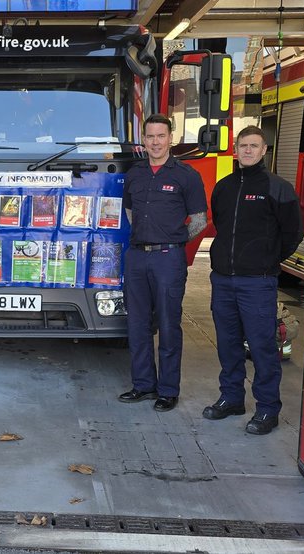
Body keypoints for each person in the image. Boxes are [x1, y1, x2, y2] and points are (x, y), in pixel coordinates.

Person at [203, 125, 304, 435]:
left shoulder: (278, 188)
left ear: (263, 150)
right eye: (243, 145)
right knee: (228, 345)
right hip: (223, 281)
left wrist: (267, 260)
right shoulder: (224, 187)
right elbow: (220, 223)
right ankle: (232, 398)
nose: (247, 150)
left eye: (254, 145)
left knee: (262, 347)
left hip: (257, 283)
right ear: (236, 149)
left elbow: (293, 234)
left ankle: (267, 409)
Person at [117, 114, 208, 412]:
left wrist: (175, 239)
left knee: (169, 325)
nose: (156, 142)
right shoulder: (135, 174)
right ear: (144, 140)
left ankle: (168, 390)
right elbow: (129, 212)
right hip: (136, 256)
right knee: (137, 324)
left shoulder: (186, 175)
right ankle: (143, 385)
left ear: (171, 138)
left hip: (169, 258)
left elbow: (199, 221)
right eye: (150, 136)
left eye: (161, 136)